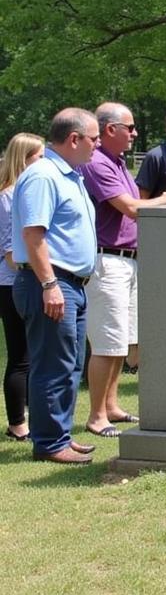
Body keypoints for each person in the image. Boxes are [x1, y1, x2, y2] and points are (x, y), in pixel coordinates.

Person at [81, 102, 166, 437]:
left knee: (122, 340)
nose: (135, 133)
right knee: (108, 342)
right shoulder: (96, 162)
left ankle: (111, 406)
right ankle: (95, 416)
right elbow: (131, 207)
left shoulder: (117, 162)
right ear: (110, 129)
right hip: (107, 261)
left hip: (127, 259)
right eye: (130, 127)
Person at [12, 109, 99, 464]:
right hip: (50, 283)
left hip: (71, 284)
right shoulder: (43, 176)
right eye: (93, 139)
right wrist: (49, 284)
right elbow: (33, 235)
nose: (97, 146)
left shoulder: (70, 176)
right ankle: (49, 443)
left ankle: (59, 435)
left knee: (70, 365)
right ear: (74, 139)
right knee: (52, 365)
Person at [0, 133, 45, 441]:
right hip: (10, 282)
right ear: (24, 159)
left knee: (31, 353)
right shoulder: (8, 196)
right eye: (40, 157)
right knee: (20, 355)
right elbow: (9, 250)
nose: (44, 164)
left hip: (24, 279)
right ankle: (18, 423)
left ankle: (30, 416)